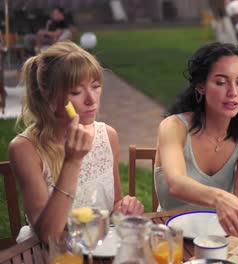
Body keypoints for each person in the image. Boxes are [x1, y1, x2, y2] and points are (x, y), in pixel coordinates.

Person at [9, 41, 144, 243]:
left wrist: (124, 207)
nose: (91, 100)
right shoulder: (25, 149)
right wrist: (72, 161)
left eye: (96, 87)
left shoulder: (107, 135)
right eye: (76, 92)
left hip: (99, 247)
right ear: (48, 94)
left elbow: (114, 203)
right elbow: (49, 236)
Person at [155, 42, 238, 237]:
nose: (233, 92)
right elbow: (177, 184)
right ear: (201, 86)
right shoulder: (174, 127)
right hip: (170, 238)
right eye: (221, 82)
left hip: (218, 237)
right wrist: (220, 198)